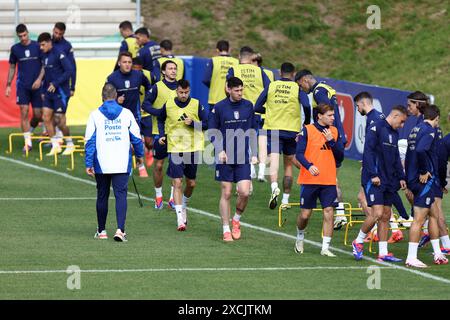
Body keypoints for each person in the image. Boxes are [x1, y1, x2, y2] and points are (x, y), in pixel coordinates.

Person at [85, 83, 144, 242]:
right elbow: (137, 139)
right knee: (121, 195)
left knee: (102, 195)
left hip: (101, 162)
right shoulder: (126, 113)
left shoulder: (95, 115)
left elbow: (89, 141)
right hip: (121, 161)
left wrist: (88, 163)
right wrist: (140, 156)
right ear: (116, 95)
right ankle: (120, 230)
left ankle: (102, 230)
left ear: (102, 96)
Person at [352, 105, 408, 262]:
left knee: (385, 215)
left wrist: (402, 176)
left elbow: (396, 156)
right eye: (402, 122)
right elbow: (368, 151)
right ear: (395, 116)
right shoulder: (376, 127)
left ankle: (383, 253)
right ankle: (358, 241)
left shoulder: (394, 133)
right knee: (376, 213)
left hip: (389, 179)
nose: (402, 125)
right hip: (374, 179)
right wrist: (373, 174)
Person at [254, 62, 310, 209]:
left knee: (274, 158)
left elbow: (257, 106)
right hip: (291, 130)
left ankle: (274, 187)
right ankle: (285, 200)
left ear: (280, 72)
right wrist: (307, 123)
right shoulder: (297, 88)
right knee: (289, 163)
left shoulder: (271, 86)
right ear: (293, 74)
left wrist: (269, 111)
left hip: (274, 128)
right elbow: (306, 105)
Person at [295, 69, 346, 229]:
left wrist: (327, 134)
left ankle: (340, 213)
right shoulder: (325, 86)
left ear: (304, 80)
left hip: (331, 136)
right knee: (331, 177)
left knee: (330, 177)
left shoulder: (318, 92)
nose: (302, 89)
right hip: (337, 135)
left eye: (300, 85)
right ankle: (339, 212)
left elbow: (327, 113)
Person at [209, 76, 258, 242]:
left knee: (244, 192)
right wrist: (220, 150)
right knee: (227, 192)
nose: (239, 93)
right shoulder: (219, 107)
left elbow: (252, 130)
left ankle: (236, 220)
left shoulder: (248, 106)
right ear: (228, 89)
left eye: (241, 90)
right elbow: (212, 132)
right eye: (236, 90)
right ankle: (225, 229)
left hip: (243, 156)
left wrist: (254, 153)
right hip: (225, 157)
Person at [294, 103, 344, 257]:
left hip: (328, 180)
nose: (332, 118)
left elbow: (340, 156)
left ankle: (325, 248)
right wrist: (309, 166)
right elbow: (299, 154)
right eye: (329, 115)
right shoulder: (307, 130)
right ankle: (300, 237)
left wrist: (332, 142)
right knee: (305, 215)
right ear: (320, 116)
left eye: (333, 115)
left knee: (329, 212)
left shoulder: (334, 131)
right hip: (310, 179)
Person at [157, 79, 207, 230]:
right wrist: (162, 134)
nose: (183, 95)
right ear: (176, 91)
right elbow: (160, 119)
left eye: (186, 92)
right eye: (181, 92)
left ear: (189, 91)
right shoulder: (169, 104)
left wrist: (193, 123)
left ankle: (183, 205)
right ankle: (179, 219)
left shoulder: (197, 104)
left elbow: (208, 124)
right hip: (175, 148)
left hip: (193, 148)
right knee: (177, 182)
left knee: (191, 183)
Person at [405, 104, 448, 267]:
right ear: (436, 118)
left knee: (434, 215)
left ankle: (438, 253)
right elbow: (421, 151)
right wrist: (424, 171)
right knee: (419, 219)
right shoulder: (429, 131)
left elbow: (411, 153)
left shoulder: (415, 129)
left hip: (414, 179)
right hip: (424, 181)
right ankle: (411, 257)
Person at [227, 46, 271, 181]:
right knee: (261, 140)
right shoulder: (260, 71)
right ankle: (262, 171)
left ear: (239, 57)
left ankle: (250, 169)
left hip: (242, 111)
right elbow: (269, 88)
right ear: (252, 57)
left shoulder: (234, 69)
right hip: (258, 112)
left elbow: (228, 89)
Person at [142, 60, 178, 209]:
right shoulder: (157, 87)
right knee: (158, 165)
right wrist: (158, 113)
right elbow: (145, 104)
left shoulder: (180, 87)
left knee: (176, 166)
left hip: (177, 133)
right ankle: (158, 196)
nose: (173, 71)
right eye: (170, 68)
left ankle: (172, 198)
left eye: (175, 68)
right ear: (163, 71)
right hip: (159, 132)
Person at [5, 24, 44, 153]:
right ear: (18, 36)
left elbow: (44, 65)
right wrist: (9, 85)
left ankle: (31, 131)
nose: (23, 38)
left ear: (28, 33)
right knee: (24, 111)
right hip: (22, 86)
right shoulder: (15, 49)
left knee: (38, 114)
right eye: (20, 36)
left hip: (37, 86)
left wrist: (39, 79)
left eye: (24, 35)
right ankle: (28, 143)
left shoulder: (37, 46)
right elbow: (12, 67)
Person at [38, 32, 73, 156]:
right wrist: (43, 90)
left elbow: (69, 71)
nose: (41, 48)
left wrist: (56, 83)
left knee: (59, 120)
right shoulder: (44, 56)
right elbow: (46, 76)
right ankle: (55, 145)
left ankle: (70, 143)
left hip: (61, 92)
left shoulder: (59, 54)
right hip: (49, 92)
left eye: (43, 45)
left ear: (49, 42)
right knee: (46, 117)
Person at [52, 22, 77, 155]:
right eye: (56, 32)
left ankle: (64, 139)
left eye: (60, 34)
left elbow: (72, 67)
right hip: (49, 86)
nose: (57, 35)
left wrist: (73, 86)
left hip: (62, 87)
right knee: (50, 114)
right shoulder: (47, 43)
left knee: (60, 114)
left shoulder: (66, 46)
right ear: (53, 30)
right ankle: (56, 138)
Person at [202, 40, 239, 119]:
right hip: (231, 99)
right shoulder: (236, 62)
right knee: (229, 126)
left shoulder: (213, 61)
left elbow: (205, 79)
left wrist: (213, 86)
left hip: (215, 99)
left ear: (217, 50)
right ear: (229, 49)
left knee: (214, 126)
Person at [131, 57, 154, 174]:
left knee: (149, 142)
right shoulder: (128, 77)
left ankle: (149, 151)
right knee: (136, 142)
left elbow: (154, 89)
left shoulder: (149, 76)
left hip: (147, 113)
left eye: (139, 70)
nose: (137, 73)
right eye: (135, 70)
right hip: (134, 114)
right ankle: (141, 166)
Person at [437, 133, 450, 253]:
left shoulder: (446, 140)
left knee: (436, 211)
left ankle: (447, 245)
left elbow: (441, 163)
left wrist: (441, 183)